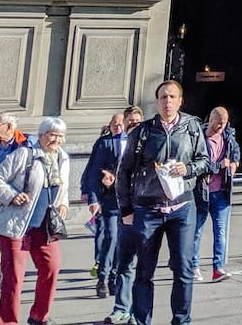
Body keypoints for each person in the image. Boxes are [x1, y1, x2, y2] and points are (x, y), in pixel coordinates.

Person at [117, 81, 209, 325]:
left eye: (172, 97)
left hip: (182, 208)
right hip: (149, 209)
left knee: (183, 268)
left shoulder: (192, 127)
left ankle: (181, 320)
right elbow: (124, 171)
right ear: (157, 102)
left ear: (180, 101)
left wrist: (188, 168)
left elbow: (205, 161)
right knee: (144, 270)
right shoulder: (142, 132)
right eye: (163, 97)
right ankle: (141, 320)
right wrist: (126, 209)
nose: (168, 101)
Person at [0, 117, 69, 325]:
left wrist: (63, 204)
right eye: (52, 135)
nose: (57, 140)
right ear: (41, 135)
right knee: (13, 279)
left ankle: (39, 317)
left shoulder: (62, 158)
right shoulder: (25, 154)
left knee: (52, 267)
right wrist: (12, 196)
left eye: (61, 136)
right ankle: (8, 322)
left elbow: (64, 188)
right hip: (17, 226)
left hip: (45, 227)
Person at [0, 112, 33, 318]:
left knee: (9, 252)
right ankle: (0, 288)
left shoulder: (26, 144)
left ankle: (0, 293)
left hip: (16, 207)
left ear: (9, 127)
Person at [102, 105, 144, 325]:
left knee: (143, 266)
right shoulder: (115, 144)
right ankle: (121, 308)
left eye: (138, 122)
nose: (133, 124)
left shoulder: (149, 144)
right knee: (124, 263)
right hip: (121, 210)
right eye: (130, 121)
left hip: (145, 211)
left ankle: (137, 311)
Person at [81, 113, 128, 299]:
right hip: (109, 199)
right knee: (111, 237)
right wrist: (93, 198)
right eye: (114, 124)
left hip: (129, 201)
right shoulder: (104, 143)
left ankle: (115, 277)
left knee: (123, 241)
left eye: (121, 124)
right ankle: (103, 277)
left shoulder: (134, 142)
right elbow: (94, 171)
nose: (118, 127)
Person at [192, 107, 240, 283]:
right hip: (201, 192)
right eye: (218, 122)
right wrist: (219, 165)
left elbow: (235, 153)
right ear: (210, 120)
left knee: (220, 232)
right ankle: (194, 266)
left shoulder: (228, 137)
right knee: (196, 232)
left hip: (221, 192)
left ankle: (218, 268)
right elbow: (199, 165)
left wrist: (234, 164)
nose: (221, 126)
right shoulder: (199, 138)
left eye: (224, 123)